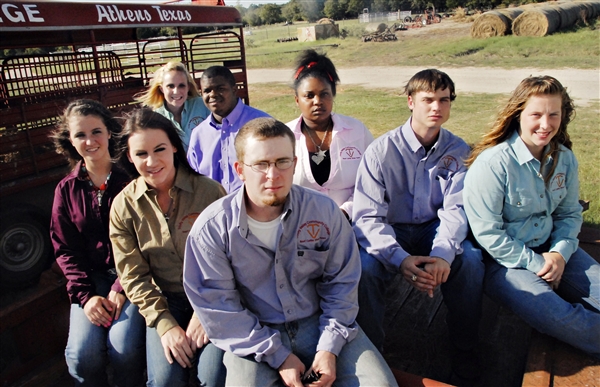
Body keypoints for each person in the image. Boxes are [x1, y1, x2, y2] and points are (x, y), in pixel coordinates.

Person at [183, 117, 397, 387]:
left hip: (319, 322)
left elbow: (342, 284)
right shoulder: (212, 230)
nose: (273, 175)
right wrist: (279, 356)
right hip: (255, 332)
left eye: (282, 162)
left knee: (381, 385)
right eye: (260, 164)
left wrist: (329, 349)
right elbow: (220, 309)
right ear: (239, 170)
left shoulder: (325, 212)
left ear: (295, 164)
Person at [352, 69, 485, 384]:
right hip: (391, 231)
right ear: (410, 102)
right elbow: (367, 216)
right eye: (427, 99)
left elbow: (457, 209)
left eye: (444, 99)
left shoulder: (458, 151)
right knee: (365, 268)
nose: (436, 107)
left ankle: (464, 348)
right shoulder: (381, 152)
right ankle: (372, 352)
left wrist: (441, 255)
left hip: (432, 230)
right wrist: (399, 259)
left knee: (470, 261)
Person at [463, 76, 600, 358]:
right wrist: (538, 264)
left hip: (553, 249)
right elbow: (488, 234)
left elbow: (569, 213)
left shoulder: (564, 158)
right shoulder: (492, 164)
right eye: (536, 114)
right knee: (556, 316)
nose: (546, 124)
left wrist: (559, 254)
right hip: (505, 263)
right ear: (518, 115)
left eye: (554, 114)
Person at [109, 108, 227, 387]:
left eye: (159, 149)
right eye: (140, 154)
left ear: (174, 146)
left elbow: (231, 257)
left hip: (213, 298)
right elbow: (132, 275)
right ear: (129, 156)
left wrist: (204, 311)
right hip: (165, 302)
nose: (152, 161)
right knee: (165, 381)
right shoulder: (124, 206)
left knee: (210, 379)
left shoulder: (210, 193)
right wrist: (165, 325)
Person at [50, 99, 145, 386]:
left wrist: (121, 287)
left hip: (133, 277)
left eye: (96, 132)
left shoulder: (132, 179)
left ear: (109, 132)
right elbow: (65, 249)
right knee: (83, 355)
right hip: (89, 281)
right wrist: (86, 296)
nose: (90, 141)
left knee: (124, 350)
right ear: (70, 139)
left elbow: (146, 239)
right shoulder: (66, 189)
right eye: (80, 134)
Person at [287, 50, 373, 221]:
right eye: (309, 96)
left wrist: (345, 212)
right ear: (297, 100)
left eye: (324, 94)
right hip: (299, 224)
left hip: (353, 222)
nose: (317, 101)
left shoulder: (357, 131)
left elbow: (372, 182)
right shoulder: (284, 136)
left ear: (332, 95)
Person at [187, 65, 270, 193]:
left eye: (220, 88)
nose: (213, 95)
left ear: (234, 89)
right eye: (207, 90)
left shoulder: (262, 124)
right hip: (213, 208)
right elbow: (193, 180)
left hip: (254, 207)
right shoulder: (199, 135)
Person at [136, 60, 210, 149]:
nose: (176, 91)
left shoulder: (203, 104)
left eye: (181, 85)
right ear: (161, 89)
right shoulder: (156, 117)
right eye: (170, 86)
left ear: (188, 87)